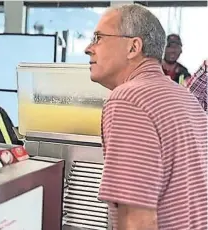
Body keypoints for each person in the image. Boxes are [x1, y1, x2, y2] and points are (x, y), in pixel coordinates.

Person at [85, 4, 207, 230]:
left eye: (98, 38)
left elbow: (136, 220)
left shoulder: (128, 100)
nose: (88, 48)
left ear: (133, 47)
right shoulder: (184, 97)